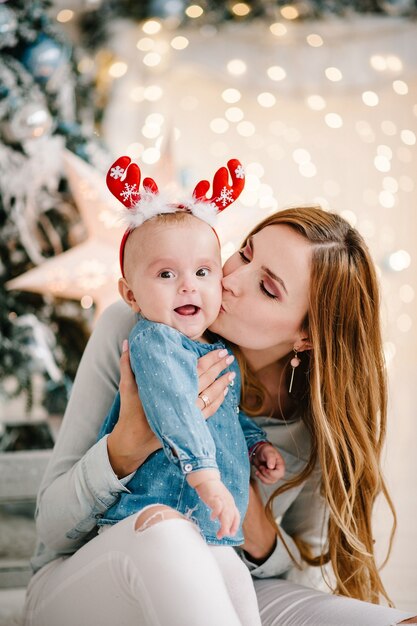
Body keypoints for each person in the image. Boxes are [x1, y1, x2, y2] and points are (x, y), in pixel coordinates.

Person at [24, 202, 417, 626]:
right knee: (169, 533)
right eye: (244, 254)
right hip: (82, 586)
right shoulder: (139, 326)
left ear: (306, 334)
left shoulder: (317, 418)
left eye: (267, 287)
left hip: (228, 582)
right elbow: (51, 531)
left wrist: (240, 493)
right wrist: (129, 445)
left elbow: (303, 573)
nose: (228, 279)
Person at [95, 157, 285, 624]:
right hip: (153, 524)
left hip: (209, 529)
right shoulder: (153, 340)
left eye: (203, 272)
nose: (188, 287)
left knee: (240, 597)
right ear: (131, 295)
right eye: (166, 275)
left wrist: (253, 442)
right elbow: (175, 410)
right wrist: (205, 475)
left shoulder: (216, 348)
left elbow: (224, 412)